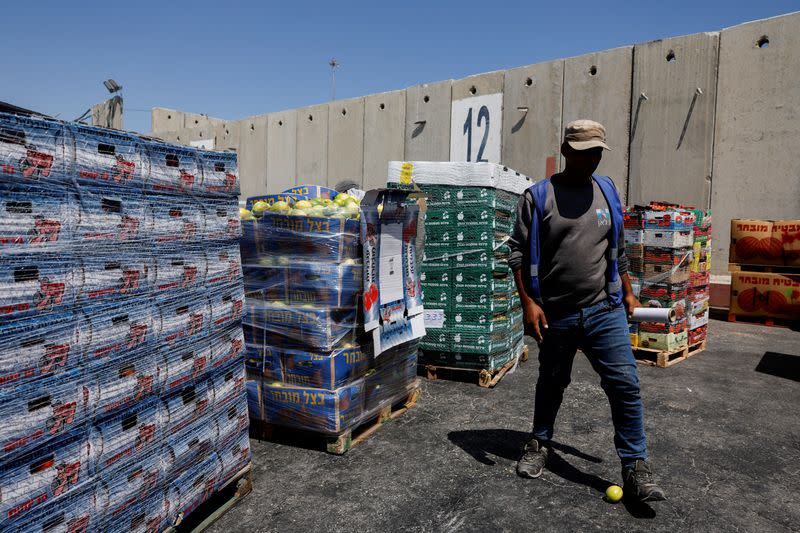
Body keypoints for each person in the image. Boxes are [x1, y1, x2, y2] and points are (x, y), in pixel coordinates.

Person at [508, 119, 666, 503]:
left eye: (596, 152)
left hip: (604, 310)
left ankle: (636, 467)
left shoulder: (607, 191)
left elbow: (618, 248)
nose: (590, 160)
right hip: (556, 314)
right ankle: (539, 443)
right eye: (582, 153)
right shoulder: (538, 197)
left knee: (625, 384)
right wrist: (527, 303)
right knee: (552, 382)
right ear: (565, 152)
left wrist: (628, 292)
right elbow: (515, 253)